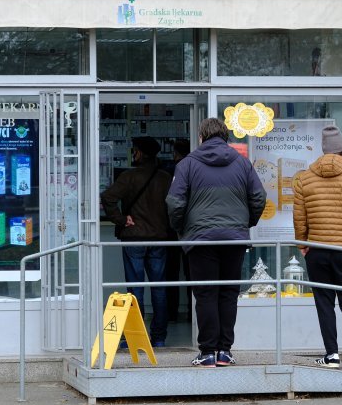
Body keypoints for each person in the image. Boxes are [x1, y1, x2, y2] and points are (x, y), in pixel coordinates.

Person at [166, 119, 266, 368]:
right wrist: (245, 224)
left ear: (201, 137)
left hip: (201, 240)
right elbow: (259, 196)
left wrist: (182, 228)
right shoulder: (242, 163)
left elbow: (175, 202)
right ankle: (225, 351)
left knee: (206, 293)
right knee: (229, 293)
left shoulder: (187, 164)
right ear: (226, 137)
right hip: (234, 238)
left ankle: (208, 351)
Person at [293, 125, 342, 371]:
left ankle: (330, 354)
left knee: (324, 303)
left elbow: (299, 217)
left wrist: (303, 244)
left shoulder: (304, 178)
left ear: (323, 149)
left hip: (316, 250)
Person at [101, 136, 172, 347]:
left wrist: (121, 219)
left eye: (135, 150)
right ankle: (159, 338)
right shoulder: (165, 178)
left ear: (139, 153)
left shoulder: (129, 177)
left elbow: (108, 197)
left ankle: (136, 337)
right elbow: (177, 204)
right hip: (160, 239)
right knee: (159, 289)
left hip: (134, 238)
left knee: (135, 289)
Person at [165, 139, 192, 323]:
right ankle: (192, 315)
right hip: (193, 230)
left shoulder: (174, 170)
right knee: (192, 275)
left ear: (176, 154)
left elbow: (173, 203)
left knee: (171, 275)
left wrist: (175, 225)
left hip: (174, 230)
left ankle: (172, 313)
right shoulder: (196, 168)